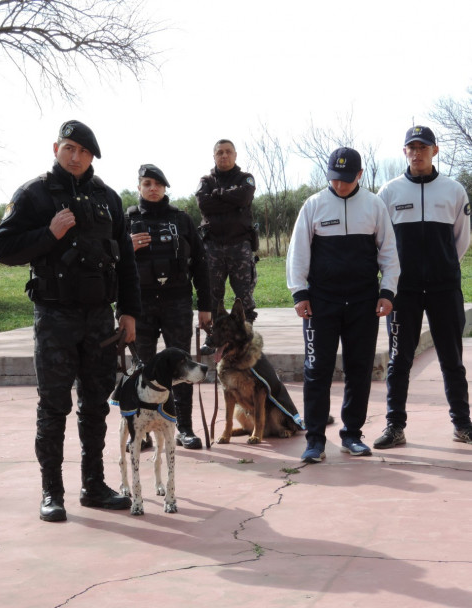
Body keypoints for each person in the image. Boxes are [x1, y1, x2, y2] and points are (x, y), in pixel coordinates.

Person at [0, 119, 141, 522]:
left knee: (95, 406)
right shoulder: (35, 194)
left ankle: (93, 484)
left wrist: (129, 312)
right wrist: (49, 233)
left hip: (99, 320)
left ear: (92, 156)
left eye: (84, 151)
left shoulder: (108, 198)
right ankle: (51, 492)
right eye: (69, 149)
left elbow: (126, 261)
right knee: (53, 406)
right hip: (55, 318)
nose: (76, 157)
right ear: (55, 148)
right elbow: (2, 247)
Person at [286, 146, 399, 463]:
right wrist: (300, 293)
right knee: (317, 370)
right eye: (335, 179)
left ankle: (351, 434)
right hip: (321, 303)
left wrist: (387, 292)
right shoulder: (314, 205)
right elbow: (298, 253)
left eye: (347, 179)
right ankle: (315, 440)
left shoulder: (374, 205)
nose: (340, 185)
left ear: (359, 175)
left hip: (364, 302)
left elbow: (389, 254)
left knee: (359, 369)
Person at [374, 125, 472, 449]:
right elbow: (382, 243)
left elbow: (461, 240)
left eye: (423, 147)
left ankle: (462, 425)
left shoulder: (454, 191)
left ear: (435, 150)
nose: (417, 153)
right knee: (400, 359)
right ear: (404, 152)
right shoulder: (389, 192)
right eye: (411, 148)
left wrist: (443, 267)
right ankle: (394, 426)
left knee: (451, 358)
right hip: (405, 291)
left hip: (445, 288)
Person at [128, 163, 212, 449]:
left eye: (158, 184)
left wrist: (205, 305)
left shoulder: (182, 219)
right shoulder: (126, 220)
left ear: (165, 188)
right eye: (147, 183)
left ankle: (184, 428)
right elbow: (111, 263)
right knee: (142, 369)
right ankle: (142, 433)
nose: (153, 189)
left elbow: (201, 264)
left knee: (183, 367)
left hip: (176, 302)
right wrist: (127, 247)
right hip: (140, 305)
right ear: (139, 186)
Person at [195, 139, 258, 355]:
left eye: (228, 152)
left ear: (235, 155)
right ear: (214, 156)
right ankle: (212, 339)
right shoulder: (206, 181)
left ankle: (247, 336)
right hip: (212, 247)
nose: (224, 155)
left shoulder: (245, 179)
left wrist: (219, 195)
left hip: (239, 245)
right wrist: (231, 199)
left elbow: (245, 196)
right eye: (220, 152)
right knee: (213, 296)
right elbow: (203, 203)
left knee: (244, 296)